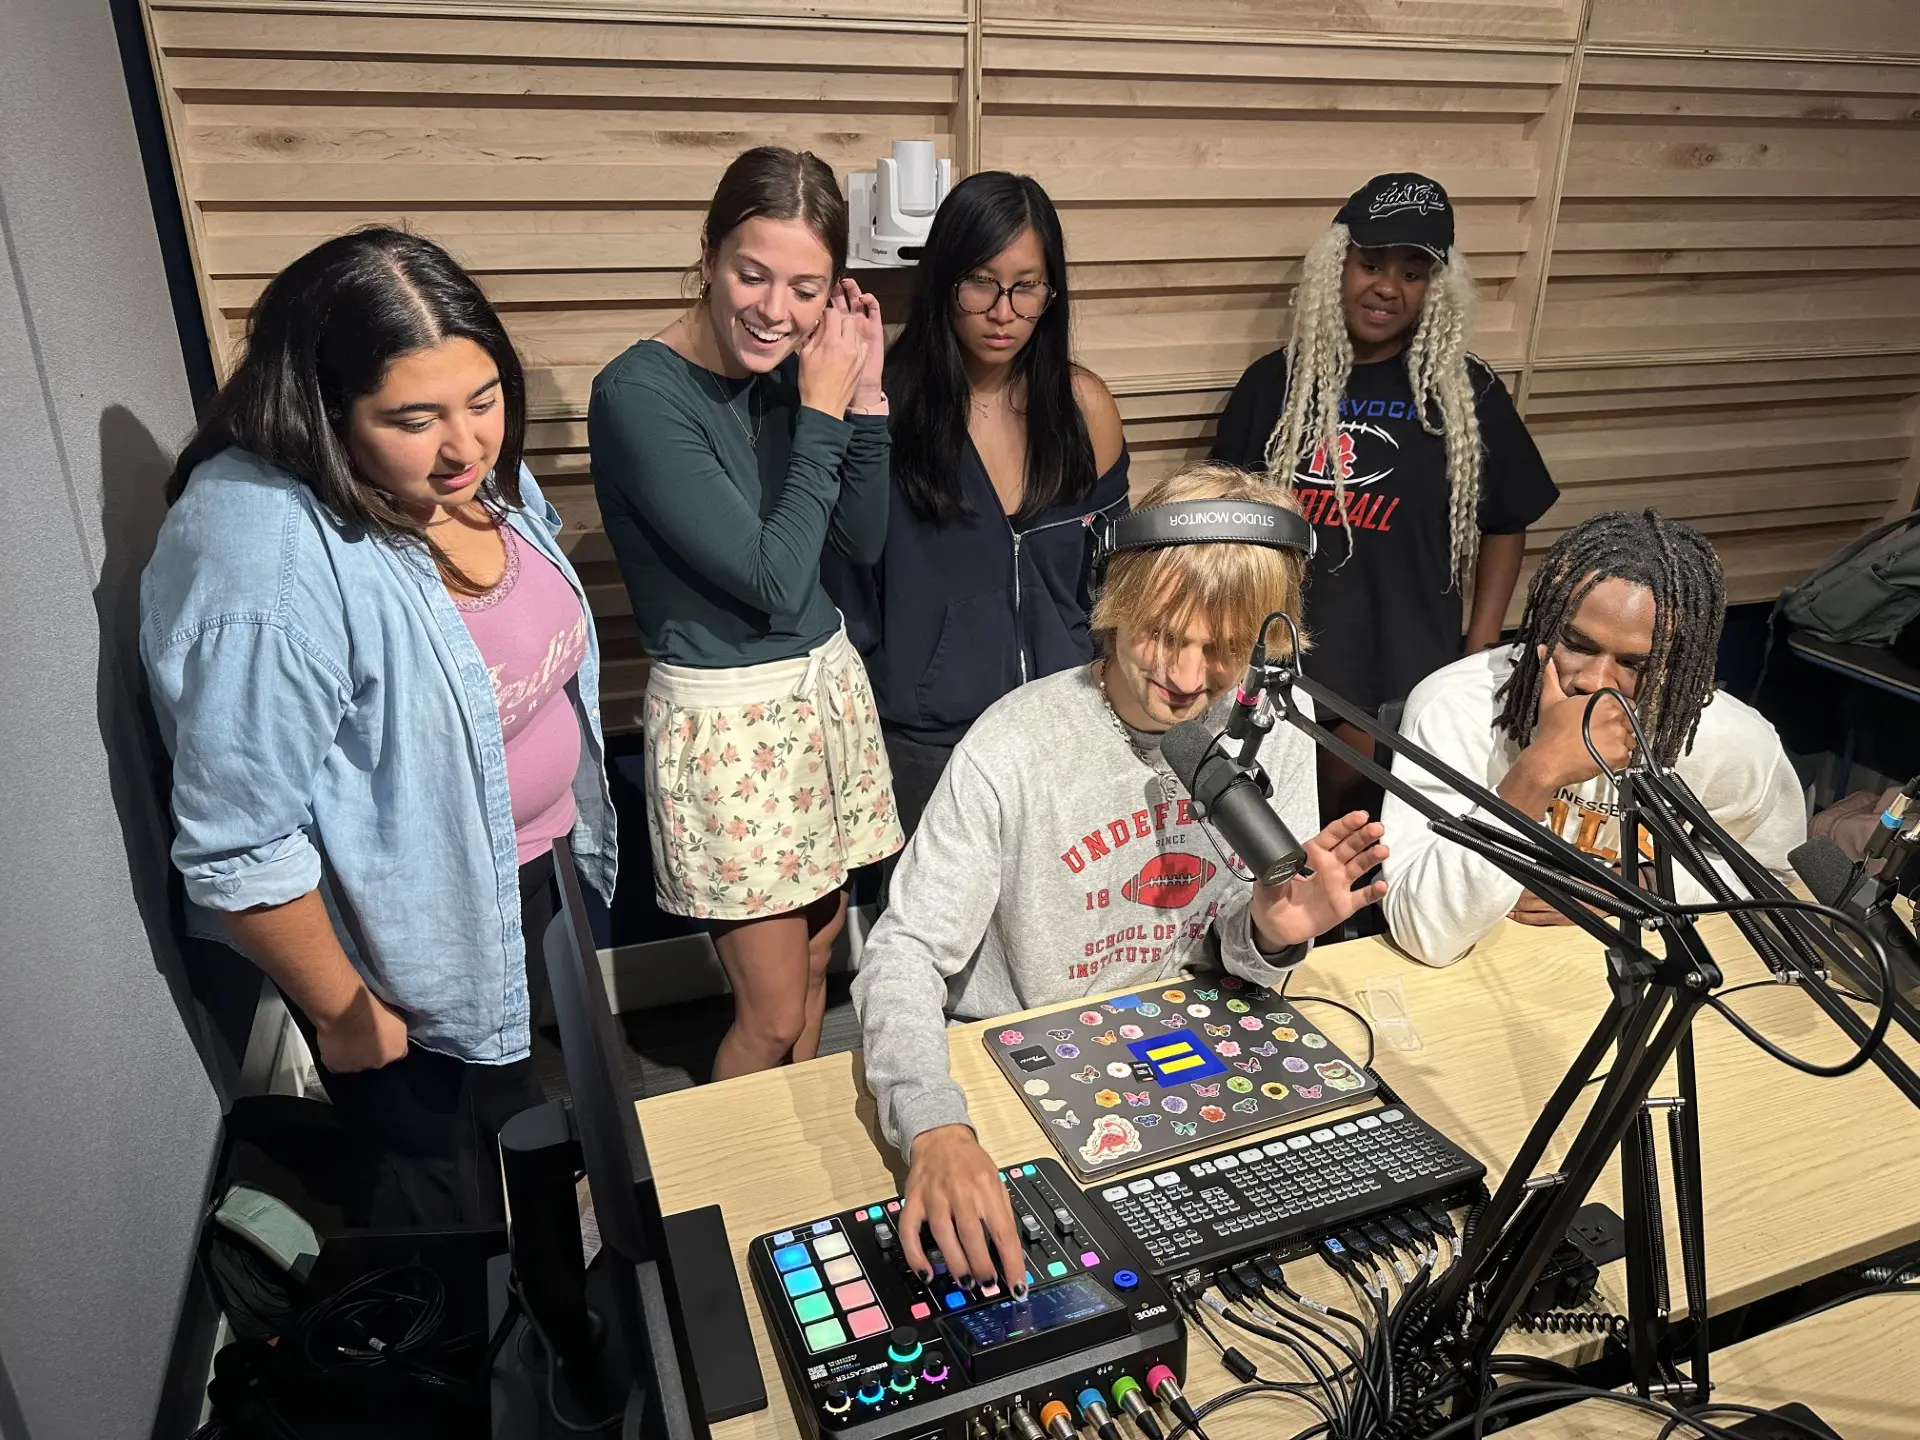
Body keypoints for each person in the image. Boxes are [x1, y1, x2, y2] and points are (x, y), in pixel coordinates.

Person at [141, 228, 614, 1226]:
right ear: (322, 408)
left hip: (534, 879)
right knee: (455, 1220)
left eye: (484, 400)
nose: (464, 446)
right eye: (414, 417)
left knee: (529, 1155)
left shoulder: (470, 472)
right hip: (401, 964)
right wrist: (349, 1019)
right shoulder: (266, 565)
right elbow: (237, 844)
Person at [852, 463, 1389, 1295]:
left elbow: (1239, 955)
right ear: (1116, 599)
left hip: (1193, 1059)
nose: (1184, 675)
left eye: (1224, 651)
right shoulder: (1015, 743)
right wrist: (934, 1128)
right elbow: (903, 954)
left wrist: (1275, 934)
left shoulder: (1267, 719)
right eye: (1163, 634)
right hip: (1018, 1074)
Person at [590, 147, 901, 1080]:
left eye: (807, 288)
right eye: (752, 275)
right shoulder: (638, 394)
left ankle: (795, 1167)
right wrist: (820, 409)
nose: (777, 310)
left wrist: (869, 396)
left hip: (822, 693)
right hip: (733, 726)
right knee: (765, 1014)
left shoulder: (792, 373)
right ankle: (728, 1203)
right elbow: (770, 577)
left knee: (817, 967)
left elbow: (864, 538)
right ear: (710, 256)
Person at [1212, 172, 1559, 822]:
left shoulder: (1466, 394)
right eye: (1370, 264)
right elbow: (1228, 516)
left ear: (1438, 289)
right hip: (1289, 649)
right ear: (1335, 268)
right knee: (1284, 823)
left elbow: (1507, 519)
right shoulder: (1271, 384)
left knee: (1373, 830)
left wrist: (1480, 640)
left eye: (1412, 273)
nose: (1387, 288)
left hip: (1405, 659)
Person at [830, 170, 1128, 839]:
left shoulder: (1085, 408)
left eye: (1027, 287)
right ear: (942, 281)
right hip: (928, 749)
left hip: (1066, 728)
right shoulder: (882, 412)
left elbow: (1116, 585)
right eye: (981, 283)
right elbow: (849, 591)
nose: (1003, 312)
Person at [1381, 509, 1807, 967]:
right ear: (1546, 623)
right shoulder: (1456, 705)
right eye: (1578, 645)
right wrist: (1535, 772)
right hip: (1488, 968)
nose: (1596, 682)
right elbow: (1423, 933)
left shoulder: (1735, 742)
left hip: (1646, 963)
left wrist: (1639, 887)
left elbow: (1772, 882)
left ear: (1678, 664)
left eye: (1635, 664)